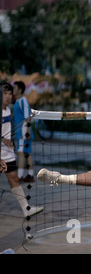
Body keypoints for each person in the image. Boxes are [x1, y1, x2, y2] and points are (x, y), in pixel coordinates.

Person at [1, 83, 44, 217]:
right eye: (5, 94)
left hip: (7, 152)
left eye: (9, 94)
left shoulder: (7, 110)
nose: (8, 96)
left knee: (14, 178)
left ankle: (26, 209)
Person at [13, 81, 35, 183]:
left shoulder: (23, 101)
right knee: (26, 153)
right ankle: (30, 175)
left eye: (15, 88)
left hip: (23, 132)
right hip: (19, 133)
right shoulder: (17, 101)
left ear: (20, 90)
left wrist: (28, 132)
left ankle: (20, 176)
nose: (13, 90)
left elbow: (28, 118)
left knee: (21, 153)